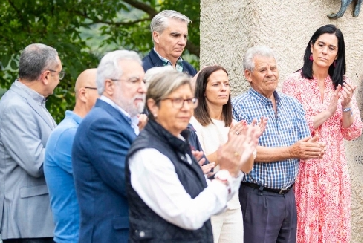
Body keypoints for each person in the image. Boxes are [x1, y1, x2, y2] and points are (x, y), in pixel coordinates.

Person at [126, 69, 261, 242]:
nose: (185, 107)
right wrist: (226, 172)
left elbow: (212, 200)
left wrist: (239, 156)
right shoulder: (149, 154)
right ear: (153, 106)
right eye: (176, 100)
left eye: (189, 100)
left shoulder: (179, 143)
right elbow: (188, 216)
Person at [232, 46, 325, 243]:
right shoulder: (237, 106)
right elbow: (244, 152)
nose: (270, 74)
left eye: (273, 69)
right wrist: (292, 151)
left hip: (288, 197)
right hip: (257, 197)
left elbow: (304, 142)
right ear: (248, 75)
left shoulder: (292, 104)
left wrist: (313, 147)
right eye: (263, 70)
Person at [282, 25, 363, 243]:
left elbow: (352, 131)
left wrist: (345, 105)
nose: (325, 51)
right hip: (304, 169)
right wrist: (327, 112)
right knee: (303, 231)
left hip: (334, 170)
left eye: (331, 48)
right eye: (321, 45)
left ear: (337, 54)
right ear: (311, 47)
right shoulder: (294, 83)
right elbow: (290, 127)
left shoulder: (342, 84)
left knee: (333, 233)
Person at [72, 50, 146, 243]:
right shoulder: (101, 124)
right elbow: (134, 183)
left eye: (144, 82)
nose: (142, 88)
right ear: (109, 86)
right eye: (134, 81)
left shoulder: (124, 122)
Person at [0, 43, 61, 243]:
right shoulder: (15, 107)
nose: (59, 80)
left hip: (39, 222)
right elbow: (36, 163)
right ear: (46, 76)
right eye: (59, 74)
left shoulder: (34, 103)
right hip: (27, 223)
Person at [190, 66, 257, 243]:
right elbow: (197, 164)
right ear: (203, 90)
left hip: (232, 204)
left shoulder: (233, 124)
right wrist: (226, 149)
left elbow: (247, 168)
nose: (223, 89)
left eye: (226, 84)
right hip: (208, 203)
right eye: (216, 84)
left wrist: (247, 145)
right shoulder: (194, 124)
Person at [44, 68, 98, 243]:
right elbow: (110, 182)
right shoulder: (69, 134)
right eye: (104, 92)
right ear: (83, 94)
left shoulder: (89, 132)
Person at [142, 10, 197, 75]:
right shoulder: (141, 70)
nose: (183, 42)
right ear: (156, 36)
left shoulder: (191, 71)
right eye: (175, 35)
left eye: (185, 36)